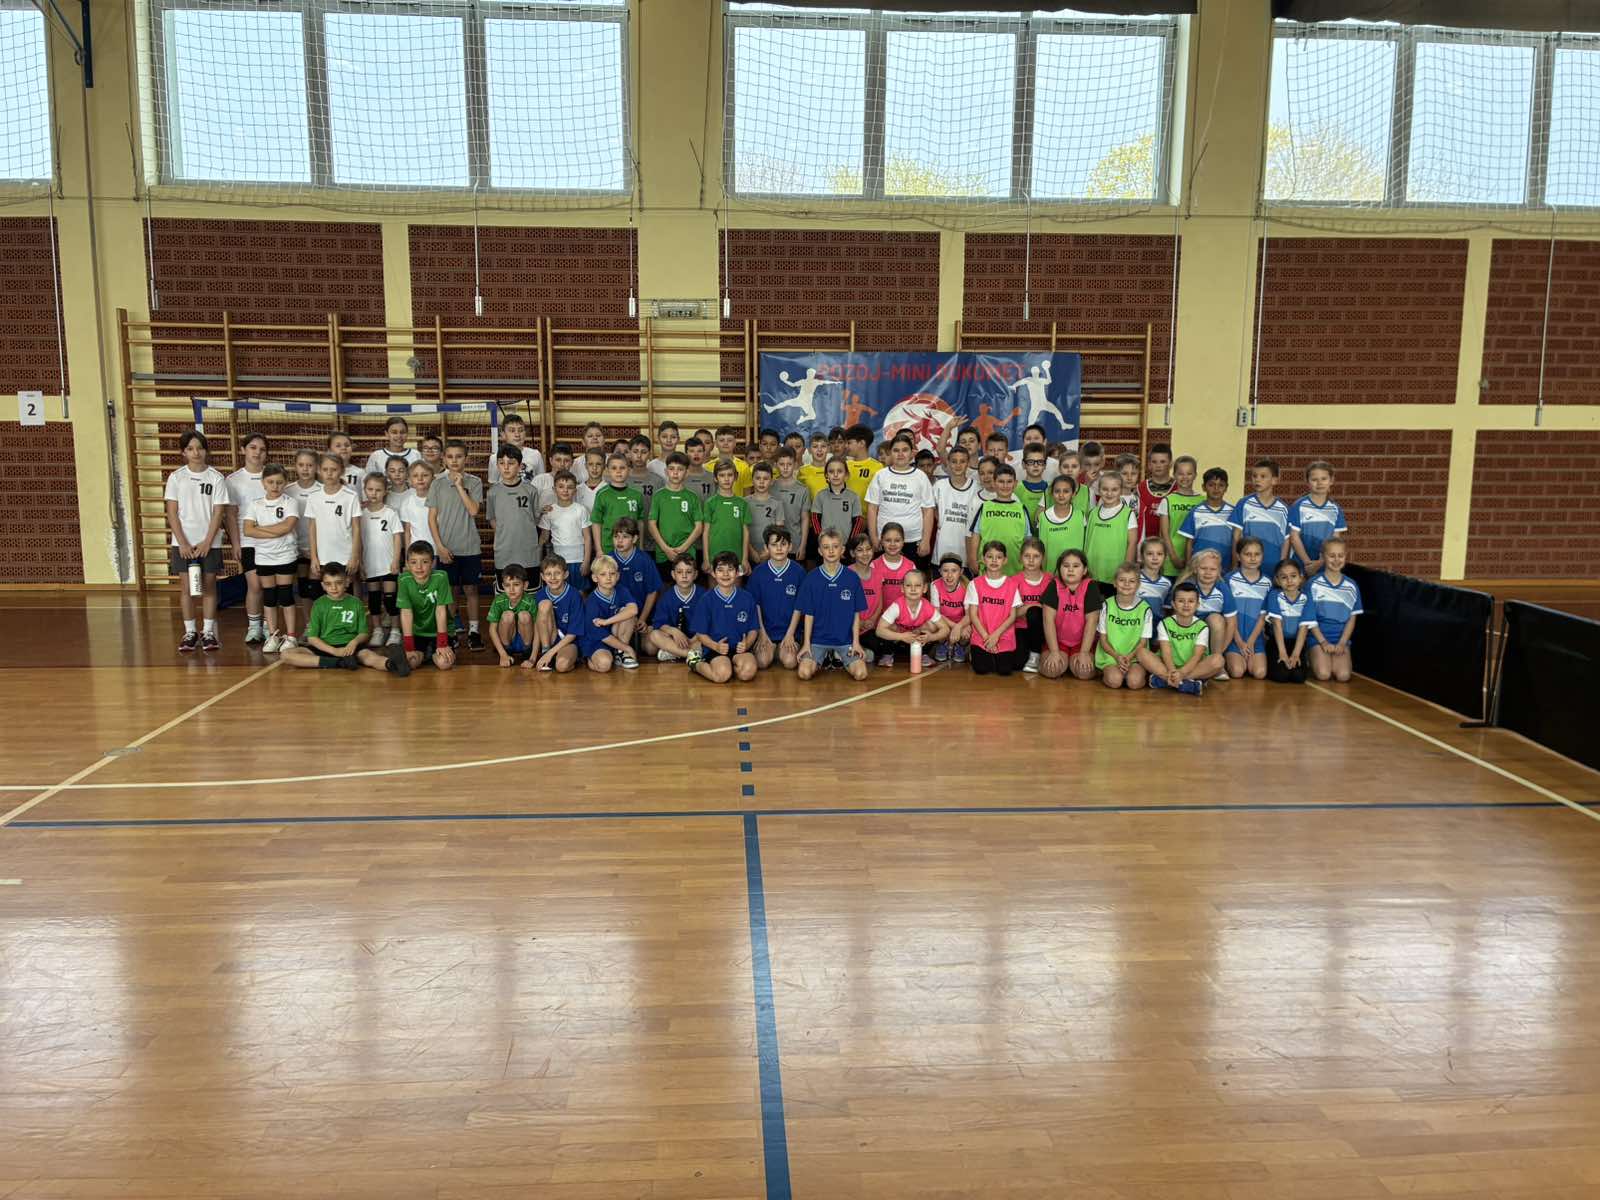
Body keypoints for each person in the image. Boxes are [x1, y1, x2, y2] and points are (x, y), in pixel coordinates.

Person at [281, 561, 409, 675]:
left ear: (347, 582)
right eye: (328, 584)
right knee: (286, 655)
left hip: (350, 647)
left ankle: (392, 665)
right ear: (323, 585)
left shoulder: (356, 603)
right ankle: (339, 662)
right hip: (326, 647)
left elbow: (364, 633)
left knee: (369, 656)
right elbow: (312, 638)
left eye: (338, 583)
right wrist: (334, 651)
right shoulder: (318, 604)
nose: (334, 588)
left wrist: (354, 643)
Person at [164, 430, 228, 653]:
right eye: (190, 449)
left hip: (209, 542)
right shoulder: (176, 477)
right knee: (187, 588)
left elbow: (218, 512)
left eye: (199, 448)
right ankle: (190, 631)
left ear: (206, 450)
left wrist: (207, 542)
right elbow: (172, 513)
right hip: (184, 543)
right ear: (183, 452)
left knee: (209, 587)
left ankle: (208, 631)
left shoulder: (216, 478)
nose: (196, 452)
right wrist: (182, 542)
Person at [426, 440, 485, 649]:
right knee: (450, 592)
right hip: (447, 548)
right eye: (450, 456)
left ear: (466, 459)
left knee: (471, 589)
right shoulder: (437, 483)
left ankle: (474, 631)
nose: (454, 461)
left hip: (470, 547)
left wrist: (460, 486)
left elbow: (473, 510)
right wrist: (439, 547)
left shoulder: (474, 482)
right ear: (444, 458)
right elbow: (431, 518)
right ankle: (451, 632)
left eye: (459, 456)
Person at [795, 529, 871, 682]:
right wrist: (806, 644)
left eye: (835, 546)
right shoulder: (811, 578)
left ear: (842, 550)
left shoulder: (852, 578)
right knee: (804, 673)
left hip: (845, 641)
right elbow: (808, 615)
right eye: (826, 547)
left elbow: (856, 613)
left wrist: (856, 642)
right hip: (818, 641)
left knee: (861, 674)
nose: (831, 551)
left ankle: (837, 655)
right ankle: (823, 657)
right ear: (819, 551)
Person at [241, 462, 300, 653]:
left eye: (279, 482)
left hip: (285, 555)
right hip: (263, 557)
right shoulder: (255, 504)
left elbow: (287, 527)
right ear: (263, 483)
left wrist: (261, 529)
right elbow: (248, 530)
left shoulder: (290, 502)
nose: (275, 486)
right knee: (269, 597)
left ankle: (291, 636)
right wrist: (276, 531)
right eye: (271, 482)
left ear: (286, 483)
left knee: (286, 595)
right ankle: (273, 635)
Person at [225, 431, 269, 645]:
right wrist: (236, 543)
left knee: (270, 585)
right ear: (243, 450)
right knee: (254, 585)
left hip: (272, 541)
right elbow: (231, 515)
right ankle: (254, 627)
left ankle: (270, 626)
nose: (257, 453)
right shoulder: (233, 480)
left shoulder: (272, 475)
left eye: (262, 449)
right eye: (252, 447)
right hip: (248, 540)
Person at [688, 551, 759, 683]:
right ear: (713, 573)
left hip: (739, 649)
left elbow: (753, 629)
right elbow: (700, 634)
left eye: (730, 569)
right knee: (722, 675)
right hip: (715, 648)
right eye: (720, 570)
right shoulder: (706, 600)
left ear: (737, 573)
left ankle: (730, 665)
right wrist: (715, 646)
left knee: (748, 672)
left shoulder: (747, 598)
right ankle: (695, 663)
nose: (725, 574)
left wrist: (747, 644)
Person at [864, 436, 935, 562]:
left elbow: (928, 510)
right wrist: (874, 537)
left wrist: (925, 540)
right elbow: (872, 508)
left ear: (912, 453)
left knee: (912, 574)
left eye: (905, 450)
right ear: (891, 453)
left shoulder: (921, 477)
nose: (900, 454)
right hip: (885, 539)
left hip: (913, 539)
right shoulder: (880, 475)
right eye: (896, 450)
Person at [1148, 580, 1225, 695]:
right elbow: (1166, 653)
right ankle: (1186, 684)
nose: (1186, 605)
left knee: (1218, 660)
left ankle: (1166, 680)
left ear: (1197, 605)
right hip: (1169, 666)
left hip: (1193, 667)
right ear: (1173, 604)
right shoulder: (1165, 623)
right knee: (1142, 653)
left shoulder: (1202, 627)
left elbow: (1196, 656)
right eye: (1181, 601)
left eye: (1191, 601)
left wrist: (1181, 674)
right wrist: (1173, 671)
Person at [306, 453, 362, 601]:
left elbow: (356, 528)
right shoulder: (313, 497)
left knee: (344, 598)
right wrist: (314, 557)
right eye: (325, 469)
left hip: (344, 556)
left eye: (334, 469)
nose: (329, 473)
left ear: (342, 471)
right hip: (322, 556)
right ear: (319, 470)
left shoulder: (351, 496)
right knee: (320, 598)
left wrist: (354, 556)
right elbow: (312, 529)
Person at [358, 473, 404, 647]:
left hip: (388, 563)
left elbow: (397, 538)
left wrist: (396, 560)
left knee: (391, 599)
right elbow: (358, 541)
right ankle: (377, 630)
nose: (374, 493)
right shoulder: (361, 515)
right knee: (374, 599)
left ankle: (395, 630)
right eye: (370, 489)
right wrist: (361, 563)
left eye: (378, 490)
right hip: (370, 563)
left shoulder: (390, 513)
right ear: (365, 490)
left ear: (385, 491)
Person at [1039, 548, 1100, 681]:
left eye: (1076, 566)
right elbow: (1048, 621)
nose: (1070, 569)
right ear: (1059, 569)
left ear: (1084, 570)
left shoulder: (1090, 586)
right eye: (1066, 566)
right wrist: (1054, 652)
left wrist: (1084, 653)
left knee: (1084, 673)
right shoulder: (1054, 586)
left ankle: (1070, 661)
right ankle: (1063, 660)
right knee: (1052, 670)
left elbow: (1092, 622)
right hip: (1058, 642)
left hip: (1081, 643)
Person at [1306, 536, 1361, 681]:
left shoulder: (1351, 586)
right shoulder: (1313, 584)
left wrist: (1342, 642)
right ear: (1323, 557)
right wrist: (1323, 642)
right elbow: (1310, 618)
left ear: (1345, 556)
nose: (1336, 560)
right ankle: (1310, 654)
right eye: (1331, 556)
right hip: (1318, 638)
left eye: (1340, 555)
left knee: (1343, 676)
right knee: (1324, 674)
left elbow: (1351, 619)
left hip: (1340, 639)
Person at [965, 541, 1023, 677]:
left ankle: (995, 655)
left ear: (1005, 560)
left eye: (999, 557)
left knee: (1005, 670)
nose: (994, 560)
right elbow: (973, 615)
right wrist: (987, 638)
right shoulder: (975, 584)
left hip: (1003, 635)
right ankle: (976, 652)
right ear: (983, 559)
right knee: (981, 669)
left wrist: (996, 636)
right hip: (982, 635)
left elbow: (1012, 616)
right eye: (990, 556)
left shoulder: (1012, 584)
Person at [748, 528, 803, 670]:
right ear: (766, 548)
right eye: (774, 545)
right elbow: (755, 605)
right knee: (762, 662)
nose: (779, 549)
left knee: (790, 662)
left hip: (789, 631)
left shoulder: (798, 572)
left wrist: (790, 634)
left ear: (790, 546)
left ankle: (780, 650)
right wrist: (761, 634)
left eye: (783, 544)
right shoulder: (758, 573)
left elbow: (800, 606)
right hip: (766, 631)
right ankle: (774, 649)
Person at [396, 541, 456, 671]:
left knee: (444, 663)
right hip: (417, 632)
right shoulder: (404, 580)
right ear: (407, 564)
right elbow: (406, 613)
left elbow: (441, 611)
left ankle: (433, 653)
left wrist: (442, 643)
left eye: (424, 562)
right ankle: (424, 654)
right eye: (413, 562)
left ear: (432, 563)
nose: (419, 567)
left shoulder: (441, 577)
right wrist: (409, 647)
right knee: (410, 663)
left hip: (439, 631)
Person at [1094, 562, 1153, 691]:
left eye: (1131, 581)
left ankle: (1135, 675)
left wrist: (1129, 657)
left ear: (1138, 585)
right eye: (1122, 580)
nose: (1126, 584)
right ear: (1115, 583)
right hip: (1111, 656)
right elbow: (1103, 640)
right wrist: (1117, 657)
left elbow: (1143, 642)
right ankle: (1108, 673)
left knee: (1134, 683)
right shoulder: (1106, 606)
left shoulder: (1145, 609)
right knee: (1115, 681)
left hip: (1134, 656)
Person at [966, 465, 1034, 575]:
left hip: (1015, 568)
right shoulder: (985, 507)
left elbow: (1028, 539)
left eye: (1009, 482)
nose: (1005, 486)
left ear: (1015, 484)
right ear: (994, 483)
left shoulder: (1021, 508)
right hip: (988, 568)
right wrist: (972, 559)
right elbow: (976, 535)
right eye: (1001, 481)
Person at [486, 445, 540, 583]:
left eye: (511, 463)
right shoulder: (493, 492)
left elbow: (535, 518)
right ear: (497, 465)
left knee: (530, 590)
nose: (506, 467)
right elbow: (492, 519)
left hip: (528, 552)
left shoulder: (531, 490)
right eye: (501, 463)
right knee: (506, 591)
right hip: (504, 551)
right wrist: (504, 534)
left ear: (520, 466)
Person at [865, 525, 916, 667]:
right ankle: (888, 650)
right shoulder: (874, 565)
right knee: (877, 641)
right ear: (881, 541)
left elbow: (915, 598)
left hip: (904, 620)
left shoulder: (910, 566)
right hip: (881, 620)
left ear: (903, 542)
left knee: (921, 634)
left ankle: (898, 647)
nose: (892, 544)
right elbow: (872, 599)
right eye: (888, 540)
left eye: (897, 540)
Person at [1229, 458, 1291, 573]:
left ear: (1274, 480)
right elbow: (1236, 536)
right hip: (1248, 566)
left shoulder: (1283, 509)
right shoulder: (1244, 504)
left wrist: (1281, 566)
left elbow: (1286, 541)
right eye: (1254, 476)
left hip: (1273, 566)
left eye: (1263, 476)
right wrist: (1235, 564)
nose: (1257, 479)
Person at [580, 555, 640, 672]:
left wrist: (607, 621)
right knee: (604, 665)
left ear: (617, 576)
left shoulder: (621, 590)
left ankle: (620, 653)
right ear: (595, 578)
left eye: (612, 574)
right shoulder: (592, 601)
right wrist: (628, 648)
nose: (608, 578)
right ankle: (590, 659)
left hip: (616, 635)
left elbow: (633, 610)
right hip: (597, 640)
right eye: (603, 574)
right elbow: (599, 634)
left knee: (628, 613)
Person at [1287, 460, 1348, 576]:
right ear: (1307, 482)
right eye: (1314, 479)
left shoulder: (1335, 509)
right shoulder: (1299, 506)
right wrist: (1307, 563)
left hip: (1324, 565)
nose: (1319, 483)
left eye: (1324, 479)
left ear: (1331, 481)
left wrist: (1320, 562)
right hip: (1300, 564)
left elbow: (1335, 540)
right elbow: (1294, 537)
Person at [1083, 470, 1138, 595]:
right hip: (1092, 571)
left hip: (1115, 573)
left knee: (1110, 604)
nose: (1109, 493)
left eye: (1114, 489)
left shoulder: (1128, 514)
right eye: (1105, 489)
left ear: (1121, 490)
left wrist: (1126, 571)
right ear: (1099, 490)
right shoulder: (1093, 513)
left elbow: (1132, 542)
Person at [648, 453, 704, 577]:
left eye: (680, 469)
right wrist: (665, 548)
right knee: (664, 585)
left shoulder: (692, 497)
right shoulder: (658, 496)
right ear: (666, 471)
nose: (675, 473)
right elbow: (651, 525)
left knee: (686, 583)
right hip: (663, 552)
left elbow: (699, 527)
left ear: (687, 473)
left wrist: (683, 548)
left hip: (687, 552)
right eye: (671, 468)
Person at [1223, 536, 1271, 681]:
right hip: (1234, 638)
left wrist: (1250, 642)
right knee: (1237, 672)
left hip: (1255, 639)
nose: (1253, 558)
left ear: (1262, 556)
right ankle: (1227, 657)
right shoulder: (1229, 579)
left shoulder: (1267, 582)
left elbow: (1263, 617)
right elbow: (1227, 616)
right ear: (1238, 556)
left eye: (1257, 554)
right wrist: (1239, 642)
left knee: (1259, 673)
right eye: (1247, 554)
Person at [874, 569, 947, 659]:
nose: (913, 589)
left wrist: (931, 637)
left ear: (924, 588)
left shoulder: (927, 606)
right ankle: (888, 654)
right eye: (908, 585)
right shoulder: (897, 606)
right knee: (889, 626)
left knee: (932, 626)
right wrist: (901, 636)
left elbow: (945, 629)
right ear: (902, 588)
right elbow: (879, 631)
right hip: (898, 642)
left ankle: (923, 654)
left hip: (916, 641)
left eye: (917, 585)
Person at [539, 470, 591, 593]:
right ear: (554, 489)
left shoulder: (581, 510)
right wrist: (539, 561)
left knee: (580, 593)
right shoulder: (549, 511)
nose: (565, 490)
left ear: (575, 490)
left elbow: (587, 537)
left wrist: (586, 561)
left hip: (578, 561)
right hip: (557, 562)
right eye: (561, 487)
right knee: (559, 592)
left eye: (570, 487)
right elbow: (544, 538)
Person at [644, 557, 703, 663]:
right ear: (673, 574)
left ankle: (674, 652)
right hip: (674, 639)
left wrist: (693, 640)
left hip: (697, 638)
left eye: (689, 572)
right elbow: (659, 623)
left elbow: (707, 624)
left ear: (695, 574)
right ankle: (690, 654)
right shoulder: (666, 596)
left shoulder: (704, 596)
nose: (684, 576)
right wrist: (674, 632)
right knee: (654, 636)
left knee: (710, 639)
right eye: (679, 572)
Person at [285, 448, 321, 619]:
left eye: (309, 465)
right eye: (301, 465)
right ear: (295, 466)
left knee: (317, 588)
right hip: (296, 548)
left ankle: (321, 623)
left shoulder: (323, 490)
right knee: (303, 587)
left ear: (317, 467)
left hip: (318, 548)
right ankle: (309, 624)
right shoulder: (288, 490)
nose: (305, 469)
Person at [1265, 558, 1314, 684]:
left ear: (1301, 578)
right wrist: (1282, 653)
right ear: (1277, 580)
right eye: (1284, 577)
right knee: (1281, 675)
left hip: (1296, 643)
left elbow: (1304, 627)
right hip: (1277, 642)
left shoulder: (1307, 597)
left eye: (1293, 576)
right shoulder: (1274, 595)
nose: (1289, 581)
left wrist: (1296, 654)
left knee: (1298, 677)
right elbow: (1277, 625)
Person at [533, 554, 585, 673]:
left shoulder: (574, 595)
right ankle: (545, 650)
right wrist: (533, 657)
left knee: (562, 666)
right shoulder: (540, 594)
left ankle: (565, 658)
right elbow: (538, 626)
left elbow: (573, 634)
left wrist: (551, 653)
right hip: (550, 639)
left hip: (568, 641)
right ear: (542, 576)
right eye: (548, 574)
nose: (553, 577)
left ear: (565, 574)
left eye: (557, 573)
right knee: (545, 604)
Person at [1178, 466, 1235, 573]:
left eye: (1221, 485)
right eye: (1211, 485)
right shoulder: (1196, 512)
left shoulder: (1233, 512)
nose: (1216, 489)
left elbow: (1236, 541)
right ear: (1204, 487)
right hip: (1200, 570)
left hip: (1225, 569)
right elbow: (1189, 543)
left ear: (1226, 487)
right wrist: (1188, 567)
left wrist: (1234, 567)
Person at [931, 446, 980, 568]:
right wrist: (938, 518)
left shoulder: (977, 487)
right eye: (954, 461)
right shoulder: (939, 485)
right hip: (942, 548)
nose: (958, 465)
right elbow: (929, 508)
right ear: (948, 462)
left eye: (962, 461)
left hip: (966, 550)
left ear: (968, 463)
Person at [1185, 547, 1237, 661]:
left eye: (1213, 569)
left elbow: (1231, 623)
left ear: (1219, 571)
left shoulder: (1222, 588)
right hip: (1189, 631)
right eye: (1203, 568)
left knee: (1216, 619)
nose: (1208, 572)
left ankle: (1215, 660)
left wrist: (1220, 651)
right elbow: (1175, 615)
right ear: (1195, 569)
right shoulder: (1187, 586)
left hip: (1213, 635)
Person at [589, 453, 643, 560]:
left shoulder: (637, 494)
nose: (618, 471)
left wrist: (640, 546)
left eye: (622, 468)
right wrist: (599, 549)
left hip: (632, 548)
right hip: (608, 548)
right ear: (607, 470)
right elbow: (596, 523)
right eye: (614, 468)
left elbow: (640, 522)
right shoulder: (602, 494)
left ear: (629, 470)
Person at [702, 461, 751, 577]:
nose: (726, 479)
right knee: (714, 587)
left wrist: (745, 558)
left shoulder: (742, 503)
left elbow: (746, 532)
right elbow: (705, 532)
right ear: (715, 478)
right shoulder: (710, 503)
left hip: (737, 555)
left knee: (736, 586)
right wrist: (706, 558)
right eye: (722, 475)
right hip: (714, 554)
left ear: (736, 477)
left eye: (730, 475)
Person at [1011, 537, 1053, 674]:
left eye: (1036, 556)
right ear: (1020, 557)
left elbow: (1055, 612)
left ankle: (1035, 654)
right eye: (1027, 556)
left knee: (1034, 613)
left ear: (1043, 558)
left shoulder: (1051, 580)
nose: (1031, 560)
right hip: (1021, 628)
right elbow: (1012, 614)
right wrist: (1032, 606)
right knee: (1016, 664)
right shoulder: (1013, 581)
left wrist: (1033, 608)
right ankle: (1031, 654)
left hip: (1044, 629)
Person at [1157, 455, 1203, 578]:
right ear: (1174, 475)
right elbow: (1164, 533)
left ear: (1195, 475)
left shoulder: (1202, 501)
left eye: (1189, 473)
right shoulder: (1167, 500)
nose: (1185, 477)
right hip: (1171, 557)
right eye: (1180, 474)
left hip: (1196, 557)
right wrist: (1173, 557)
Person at [610, 518, 659, 628]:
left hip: (643, 614)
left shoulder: (644, 560)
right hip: (616, 614)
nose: (619, 541)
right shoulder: (608, 560)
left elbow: (652, 592)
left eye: (625, 537)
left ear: (635, 538)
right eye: (616, 536)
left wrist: (642, 619)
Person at [487, 564, 537, 667]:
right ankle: (507, 651)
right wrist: (502, 654)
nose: (511, 589)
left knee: (524, 615)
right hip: (508, 639)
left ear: (525, 585)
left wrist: (533, 658)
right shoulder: (498, 601)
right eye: (507, 585)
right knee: (507, 615)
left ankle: (527, 651)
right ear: (503, 586)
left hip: (525, 640)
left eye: (516, 584)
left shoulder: (531, 601)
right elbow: (492, 629)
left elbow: (538, 630)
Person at [811, 456, 863, 550]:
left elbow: (858, 522)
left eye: (839, 471)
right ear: (826, 475)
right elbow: (815, 519)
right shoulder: (820, 495)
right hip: (825, 546)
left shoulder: (853, 497)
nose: (835, 475)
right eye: (831, 471)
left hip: (846, 546)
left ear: (846, 475)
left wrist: (850, 544)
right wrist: (821, 540)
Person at [1036, 474, 1085, 571]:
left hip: (1074, 573)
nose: (1061, 495)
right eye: (1057, 491)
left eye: (1066, 491)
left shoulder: (1080, 516)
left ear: (1073, 494)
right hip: (1049, 572)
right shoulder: (1043, 517)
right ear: (1051, 493)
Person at [771, 448, 811, 562]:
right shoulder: (770, 487)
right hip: (774, 544)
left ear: (795, 465)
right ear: (776, 465)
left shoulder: (803, 489)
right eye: (781, 464)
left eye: (789, 464)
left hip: (795, 543)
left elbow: (805, 519)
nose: (785, 467)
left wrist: (803, 546)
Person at [744, 463, 787, 565]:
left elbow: (779, 531)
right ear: (752, 480)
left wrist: (768, 552)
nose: (761, 482)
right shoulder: (744, 503)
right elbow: (742, 530)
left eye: (766, 479)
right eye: (758, 478)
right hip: (747, 553)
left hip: (770, 553)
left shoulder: (777, 503)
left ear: (771, 481)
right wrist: (751, 551)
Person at [931, 554, 971, 664]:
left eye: (954, 571)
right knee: (934, 625)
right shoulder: (935, 585)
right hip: (943, 620)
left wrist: (960, 626)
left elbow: (969, 615)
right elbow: (936, 614)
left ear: (961, 572)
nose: (949, 575)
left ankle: (960, 646)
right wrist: (955, 627)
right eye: (945, 571)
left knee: (967, 631)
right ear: (939, 571)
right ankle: (942, 644)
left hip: (961, 621)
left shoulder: (967, 586)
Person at [1135, 442, 1175, 542]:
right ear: (1149, 465)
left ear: (1170, 464)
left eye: (1162, 462)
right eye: (1154, 462)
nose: (1158, 465)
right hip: (1146, 544)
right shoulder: (1140, 488)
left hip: (1171, 545)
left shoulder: (1178, 488)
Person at [498, 413, 545, 482]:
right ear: (503, 434)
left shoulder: (536, 455)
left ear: (525, 433)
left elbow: (541, 482)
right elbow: (493, 485)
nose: (517, 434)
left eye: (520, 430)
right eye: (512, 431)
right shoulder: (495, 458)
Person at [400, 460, 435, 549]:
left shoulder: (440, 500)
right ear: (409, 480)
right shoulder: (407, 503)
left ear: (433, 478)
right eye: (415, 476)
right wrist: (408, 553)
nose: (420, 479)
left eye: (425, 475)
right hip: (416, 550)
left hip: (437, 549)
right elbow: (407, 532)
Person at [843, 425, 882, 500]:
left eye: (849, 443)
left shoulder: (878, 467)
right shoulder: (844, 465)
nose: (846, 446)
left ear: (861, 443)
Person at [1135, 537, 1172, 614]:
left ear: (1165, 557)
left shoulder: (1167, 583)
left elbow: (1167, 610)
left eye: (1159, 554)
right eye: (1150, 554)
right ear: (1142, 556)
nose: (1155, 558)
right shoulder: (1134, 578)